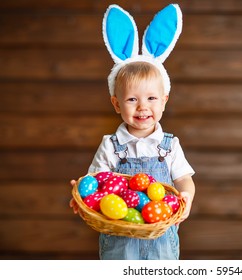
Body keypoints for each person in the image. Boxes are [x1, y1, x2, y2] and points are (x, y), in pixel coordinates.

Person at [69, 4, 195, 260]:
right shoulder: (110, 145)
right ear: (116, 104)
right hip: (120, 238)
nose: (142, 107)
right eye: (131, 100)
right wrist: (82, 193)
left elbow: (183, 180)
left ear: (164, 101)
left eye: (151, 98)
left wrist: (186, 197)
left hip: (160, 238)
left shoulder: (170, 145)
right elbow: (96, 181)